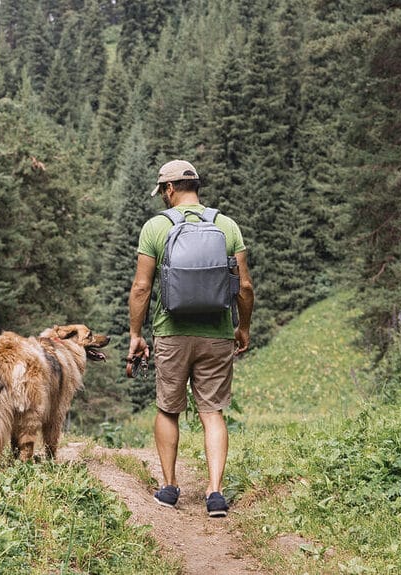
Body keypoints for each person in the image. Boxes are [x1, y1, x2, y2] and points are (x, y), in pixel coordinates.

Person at [127, 159, 254, 518]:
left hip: (171, 333)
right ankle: (215, 493)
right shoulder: (227, 226)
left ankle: (169, 488)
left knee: (168, 408)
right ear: (196, 186)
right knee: (212, 412)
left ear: (169, 189)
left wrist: (136, 334)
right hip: (216, 335)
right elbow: (244, 286)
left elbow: (141, 287)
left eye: (162, 191)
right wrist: (242, 327)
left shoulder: (156, 227)